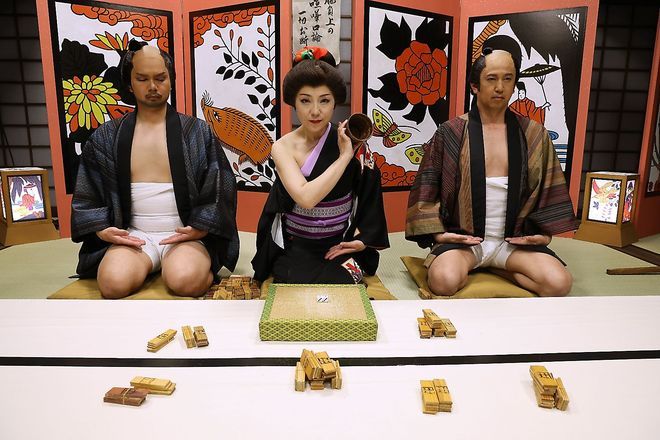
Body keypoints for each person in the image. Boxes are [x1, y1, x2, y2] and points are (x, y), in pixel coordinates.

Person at [71, 41, 239, 298]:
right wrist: (102, 228)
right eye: (142, 79)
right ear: (129, 83)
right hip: (133, 234)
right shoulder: (107, 135)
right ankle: (148, 264)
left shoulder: (196, 131)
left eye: (160, 78)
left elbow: (219, 185)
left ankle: (186, 265)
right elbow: (88, 191)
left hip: (184, 233)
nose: (152, 86)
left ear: (171, 81)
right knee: (113, 284)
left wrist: (201, 227)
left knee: (185, 281)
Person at [406, 48, 578, 297]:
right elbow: (426, 188)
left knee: (559, 284)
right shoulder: (451, 132)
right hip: (466, 241)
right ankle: (486, 267)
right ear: (474, 85)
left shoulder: (534, 134)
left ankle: (498, 268)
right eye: (491, 78)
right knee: (443, 282)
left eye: (508, 79)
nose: (500, 87)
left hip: (513, 242)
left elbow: (550, 189)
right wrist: (439, 234)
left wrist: (544, 235)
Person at [252, 46, 389, 284]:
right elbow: (306, 198)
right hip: (297, 243)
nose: (315, 111)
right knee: (294, 280)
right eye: (305, 101)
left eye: (324, 101)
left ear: (335, 103)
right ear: (294, 103)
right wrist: (344, 157)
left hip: (339, 242)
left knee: (346, 279)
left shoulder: (351, 141)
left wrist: (362, 240)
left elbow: (370, 194)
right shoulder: (282, 147)